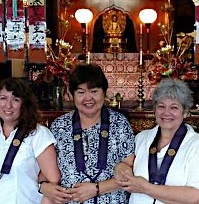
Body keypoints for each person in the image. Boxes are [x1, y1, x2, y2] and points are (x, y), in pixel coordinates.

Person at [41, 63, 135, 203]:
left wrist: (96, 189)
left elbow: (131, 172)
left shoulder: (119, 123)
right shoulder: (59, 126)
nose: (88, 98)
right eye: (81, 92)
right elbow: (45, 170)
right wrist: (43, 186)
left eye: (94, 91)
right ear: (72, 95)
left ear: (104, 92)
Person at [115, 78, 199, 204]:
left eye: (174, 107)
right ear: (155, 109)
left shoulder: (198, 144)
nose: (166, 113)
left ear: (185, 112)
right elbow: (126, 164)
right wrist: (120, 168)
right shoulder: (141, 138)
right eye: (161, 106)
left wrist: (147, 188)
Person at [0, 78, 60, 204]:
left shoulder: (38, 134)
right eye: (3, 98)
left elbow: (53, 178)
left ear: (25, 104)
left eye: (15, 99)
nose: (8, 105)